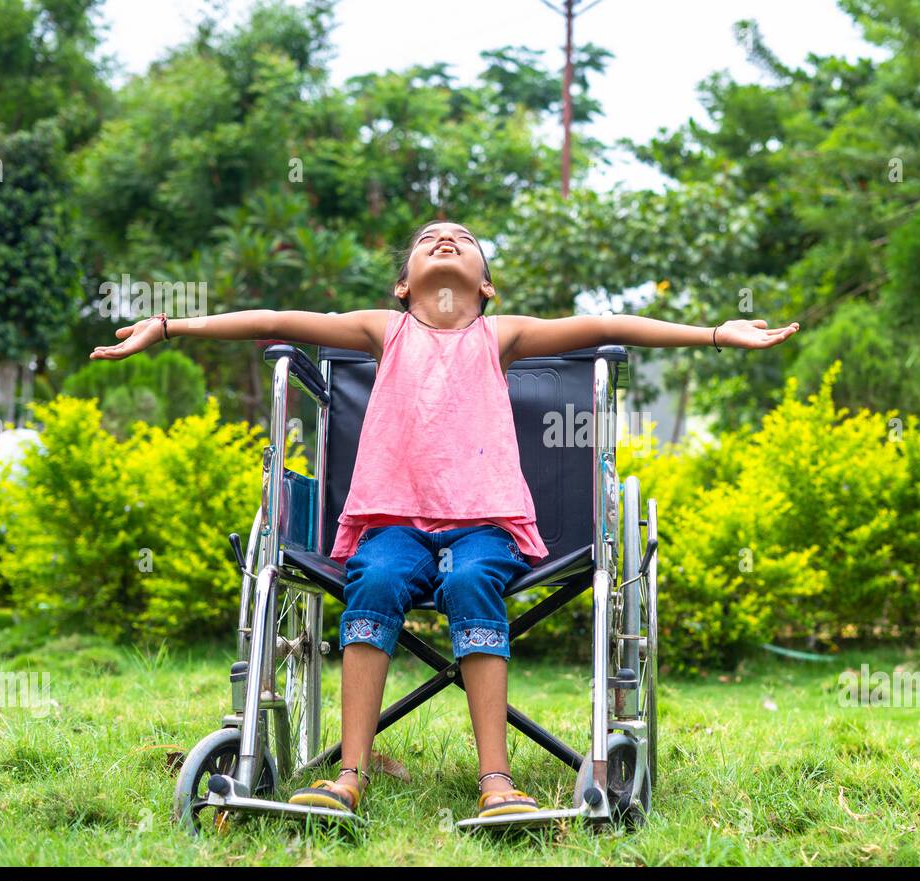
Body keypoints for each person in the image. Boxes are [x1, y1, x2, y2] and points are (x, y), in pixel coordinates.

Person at [92, 219, 799, 817]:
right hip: (390, 527)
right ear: (403, 284)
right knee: (371, 585)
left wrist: (714, 333)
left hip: (484, 529)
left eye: (461, 241)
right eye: (430, 239)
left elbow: (611, 325)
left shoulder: (502, 336)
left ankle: (497, 782)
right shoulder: (382, 329)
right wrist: (167, 324)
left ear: (486, 287)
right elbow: (275, 321)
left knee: (470, 585)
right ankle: (349, 778)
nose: (444, 241)